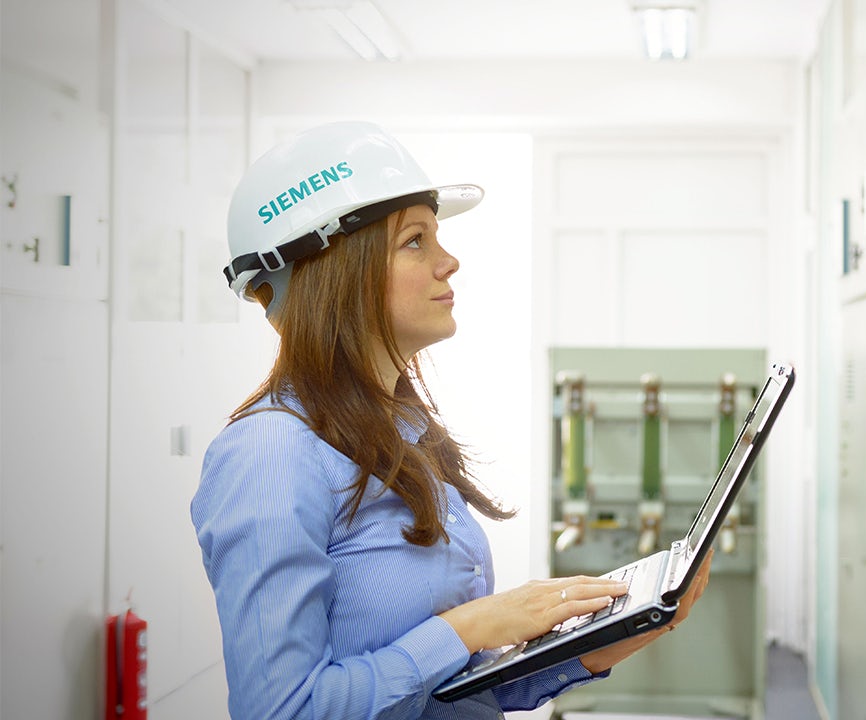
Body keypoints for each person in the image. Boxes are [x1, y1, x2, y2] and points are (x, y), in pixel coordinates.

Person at [191, 121, 711, 719]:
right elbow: (282, 712)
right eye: (416, 240)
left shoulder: (399, 429)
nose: (450, 261)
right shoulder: (269, 453)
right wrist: (466, 629)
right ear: (334, 270)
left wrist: (604, 639)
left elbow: (444, 692)